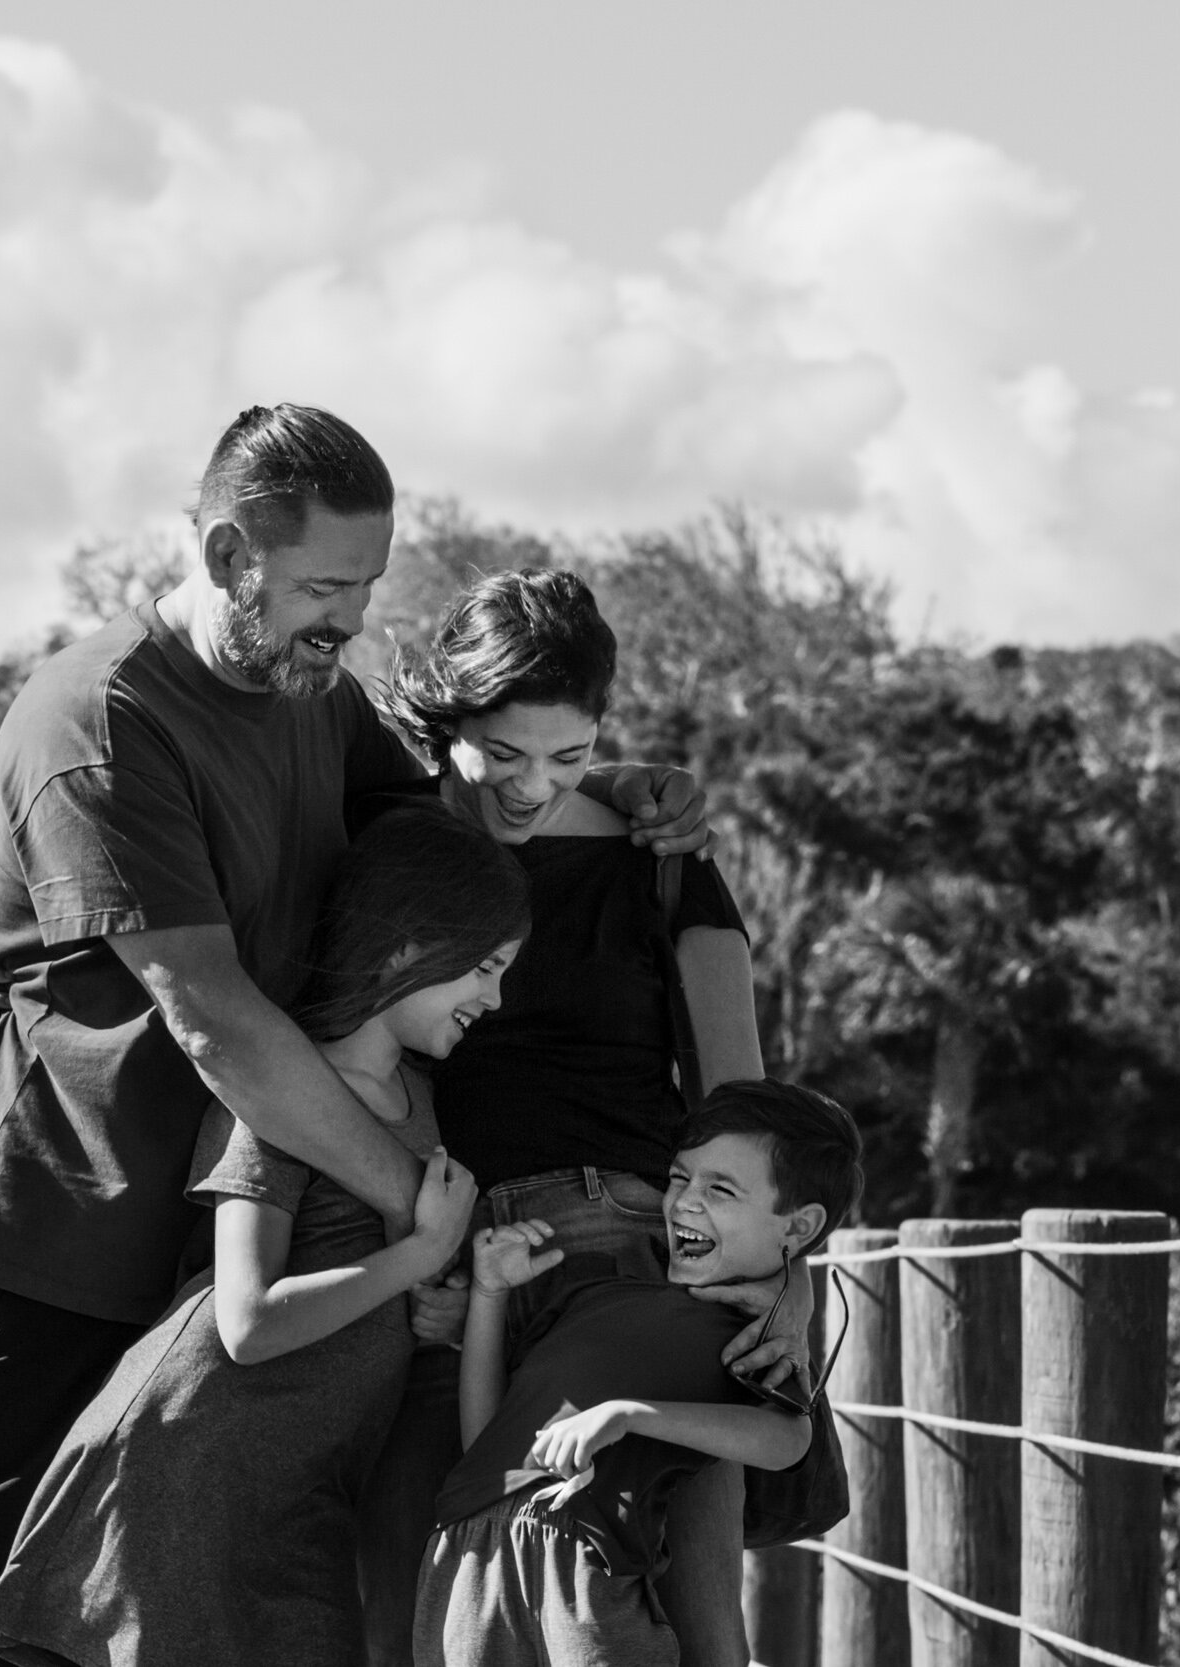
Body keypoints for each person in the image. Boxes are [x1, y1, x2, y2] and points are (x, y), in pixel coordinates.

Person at [0, 405, 708, 1667]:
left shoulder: (310, 693)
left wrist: (613, 787)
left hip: (185, 1239)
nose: (349, 621)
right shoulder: (98, 718)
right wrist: (429, 1214)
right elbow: (216, 1021)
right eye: (321, 585)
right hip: (33, 1232)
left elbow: (449, 806)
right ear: (223, 554)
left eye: (364, 589)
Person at [353, 571, 815, 1667]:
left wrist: (789, 1276)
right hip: (452, 1265)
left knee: (690, 1631)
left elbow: (739, 1101)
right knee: (438, 1618)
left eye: (567, 758)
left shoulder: (660, 856)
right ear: (449, 719)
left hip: (643, 1260)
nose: (533, 788)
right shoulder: (387, 844)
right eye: (504, 754)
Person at [0, 807, 528, 1667]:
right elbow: (247, 1323)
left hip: (302, 1493)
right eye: (485, 968)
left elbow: (385, 1289)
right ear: (409, 947)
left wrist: (436, 1300)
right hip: (190, 1471)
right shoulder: (277, 1091)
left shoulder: (421, 1098)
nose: (494, 1000)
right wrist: (418, 1256)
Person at [413, 1081, 864, 1667]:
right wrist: (489, 1292)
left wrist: (629, 1417)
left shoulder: (753, 1335)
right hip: (463, 1570)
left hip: (582, 1577)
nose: (684, 1203)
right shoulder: (589, 1289)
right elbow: (485, 1445)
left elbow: (786, 1440)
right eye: (678, 1178)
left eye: (720, 1189)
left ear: (797, 1229)